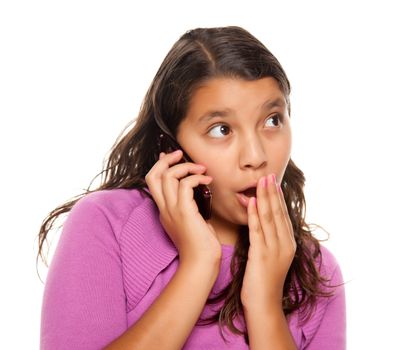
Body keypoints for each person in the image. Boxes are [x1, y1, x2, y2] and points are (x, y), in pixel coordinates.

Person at [38, 26, 346, 349]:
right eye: (222, 129)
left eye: (272, 120)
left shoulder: (317, 272)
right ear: (172, 147)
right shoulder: (106, 225)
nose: (256, 157)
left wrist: (265, 305)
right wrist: (198, 266)